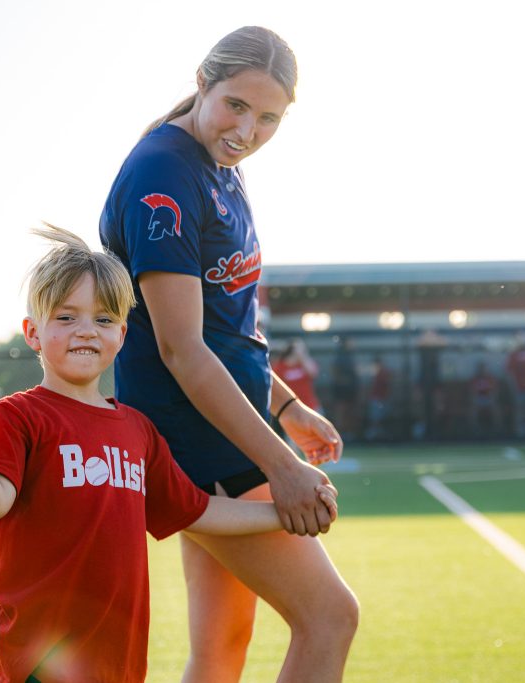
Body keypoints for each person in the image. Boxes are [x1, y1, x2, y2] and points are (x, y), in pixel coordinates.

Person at [0, 225, 338, 683]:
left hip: (121, 663)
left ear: (123, 334)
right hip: (41, 661)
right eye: (66, 317)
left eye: (104, 319)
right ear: (33, 333)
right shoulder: (18, 415)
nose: (86, 332)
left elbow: (197, 511)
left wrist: (284, 511)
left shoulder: (138, 430)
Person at [98, 26, 358, 682]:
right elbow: (181, 348)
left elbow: (227, 332)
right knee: (330, 616)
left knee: (222, 648)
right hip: (201, 438)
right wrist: (283, 464)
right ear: (203, 83)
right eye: (236, 105)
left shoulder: (222, 168)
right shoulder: (164, 171)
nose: (248, 130)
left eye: (269, 118)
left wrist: (288, 405)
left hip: (227, 428)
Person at [271, 338, 322, 414]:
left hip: (310, 406)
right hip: (290, 408)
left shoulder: (305, 363)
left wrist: (302, 357)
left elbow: (313, 373)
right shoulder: (280, 366)